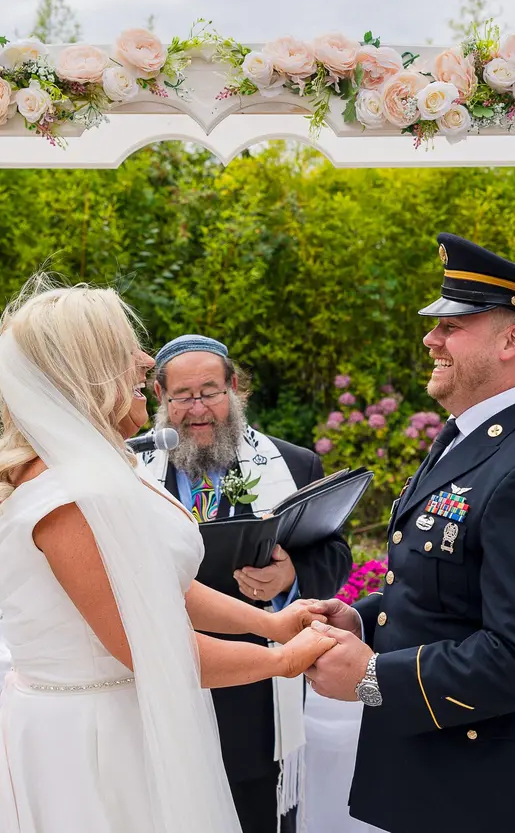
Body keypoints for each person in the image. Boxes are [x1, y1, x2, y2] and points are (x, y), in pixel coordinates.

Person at [0, 277, 335, 833]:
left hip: (130, 718)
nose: (146, 360)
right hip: (93, 744)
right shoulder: (69, 498)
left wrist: (273, 623)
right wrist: (279, 662)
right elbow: (146, 642)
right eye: (127, 351)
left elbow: (159, 585)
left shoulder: (97, 466)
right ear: (84, 372)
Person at [303, 233, 515, 833]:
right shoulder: (472, 435)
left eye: (452, 325)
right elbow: (450, 586)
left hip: (500, 798)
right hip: (450, 782)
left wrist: (372, 678)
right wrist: (364, 620)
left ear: (511, 340)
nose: (431, 338)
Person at [140, 334, 353, 833]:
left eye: (210, 392)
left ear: (234, 388)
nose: (198, 410)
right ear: (159, 396)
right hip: (164, 669)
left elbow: (333, 551)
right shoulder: (130, 470)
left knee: (253, 810)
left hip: (256, 685)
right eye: (182, 396)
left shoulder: (294, 465)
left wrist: (291, 573)